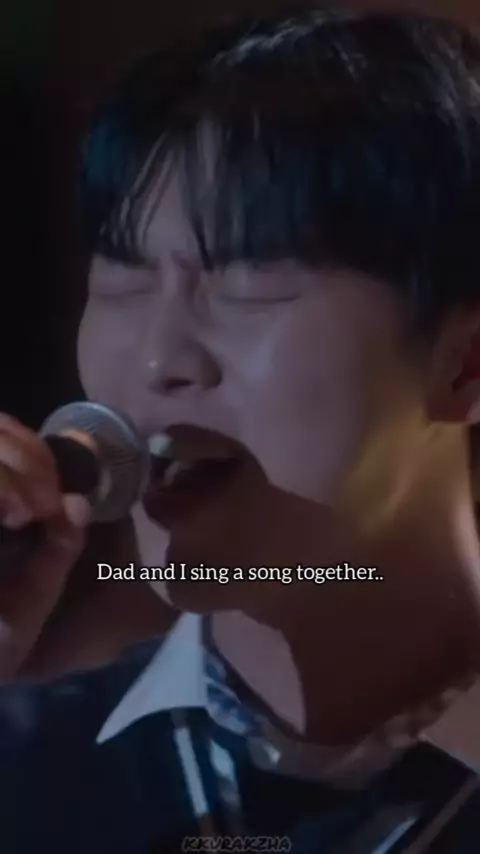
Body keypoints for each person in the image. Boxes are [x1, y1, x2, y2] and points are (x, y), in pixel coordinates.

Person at [2, 7, 480, 851]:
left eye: (249, 281)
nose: (159, 359)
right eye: (122, 279)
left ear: (465, 364)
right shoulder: (23, 765)